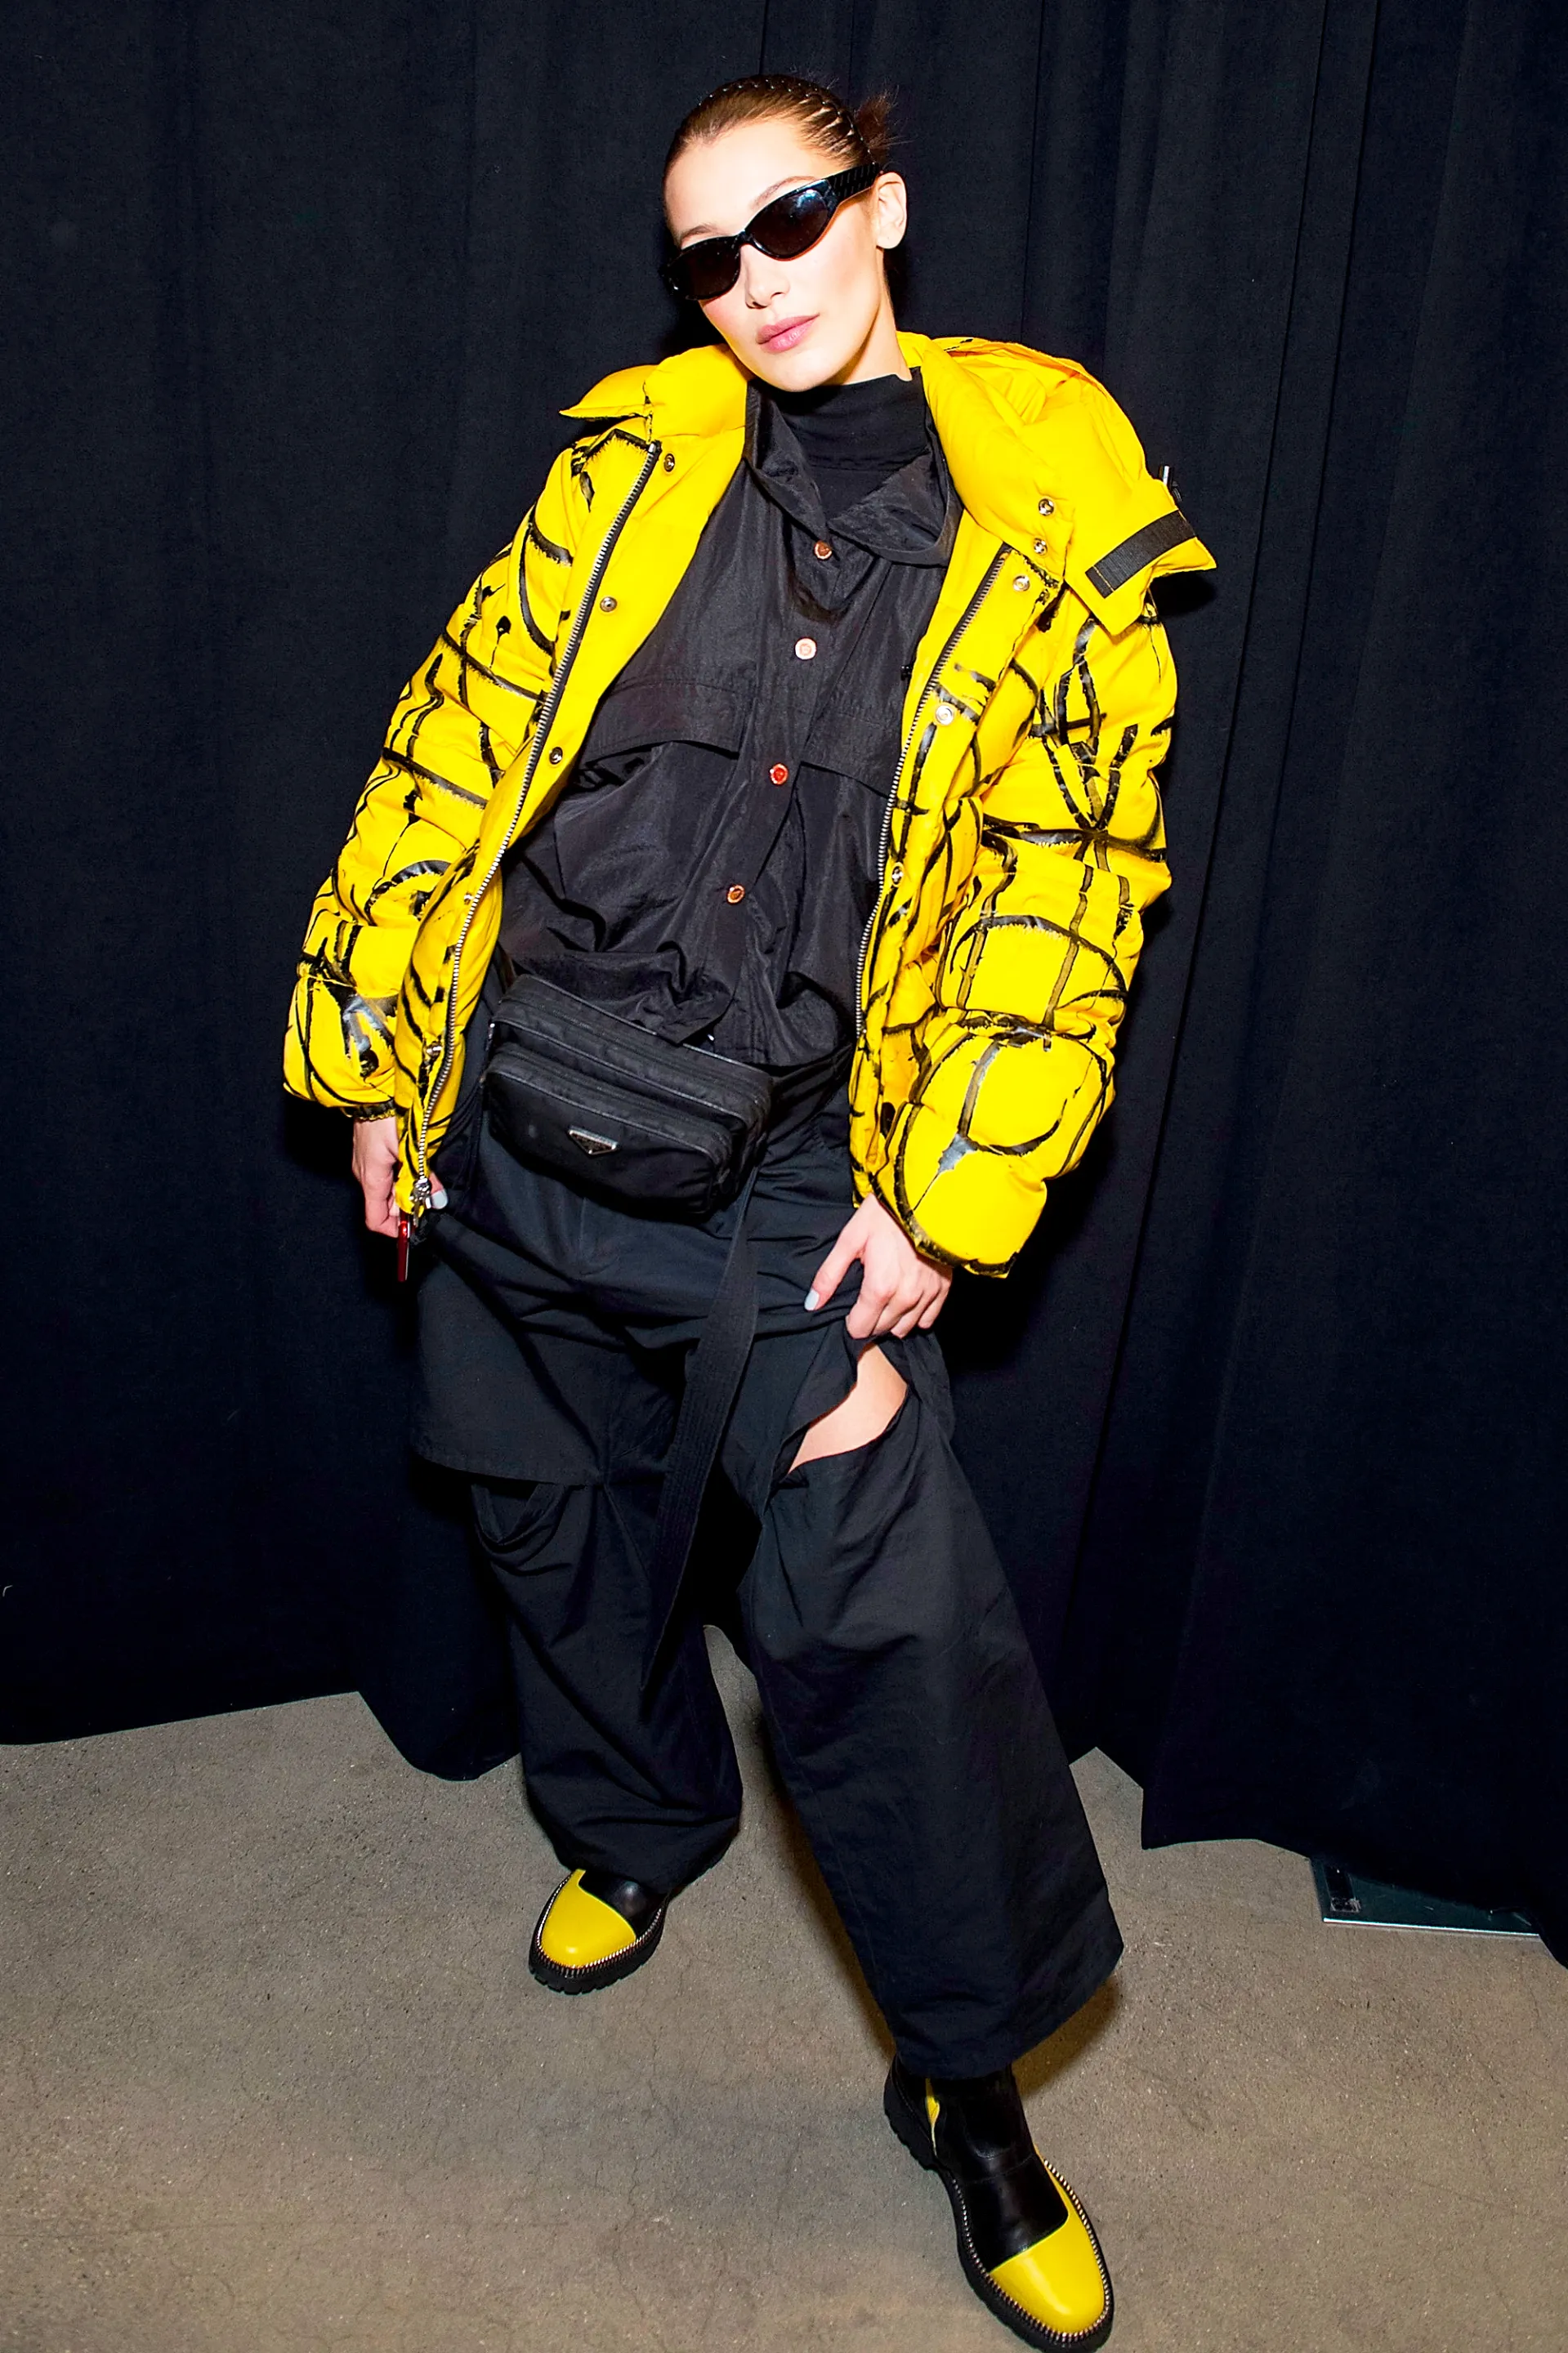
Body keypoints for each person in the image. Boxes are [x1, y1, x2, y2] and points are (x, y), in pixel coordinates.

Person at [284, 72, 1211, 2350]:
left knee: (885, 1621)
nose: (757, 279)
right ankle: (637, 1826)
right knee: (542, 1520)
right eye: (710, 253)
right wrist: (385, 1066)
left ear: (881, 205)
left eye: (792, 219)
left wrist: (946, 1202)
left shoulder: (1055, 530)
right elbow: (451, 751)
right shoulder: (630, 471)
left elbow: (1061, 896)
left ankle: (970, 2091)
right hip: (525, 1105)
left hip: (796, 1166)